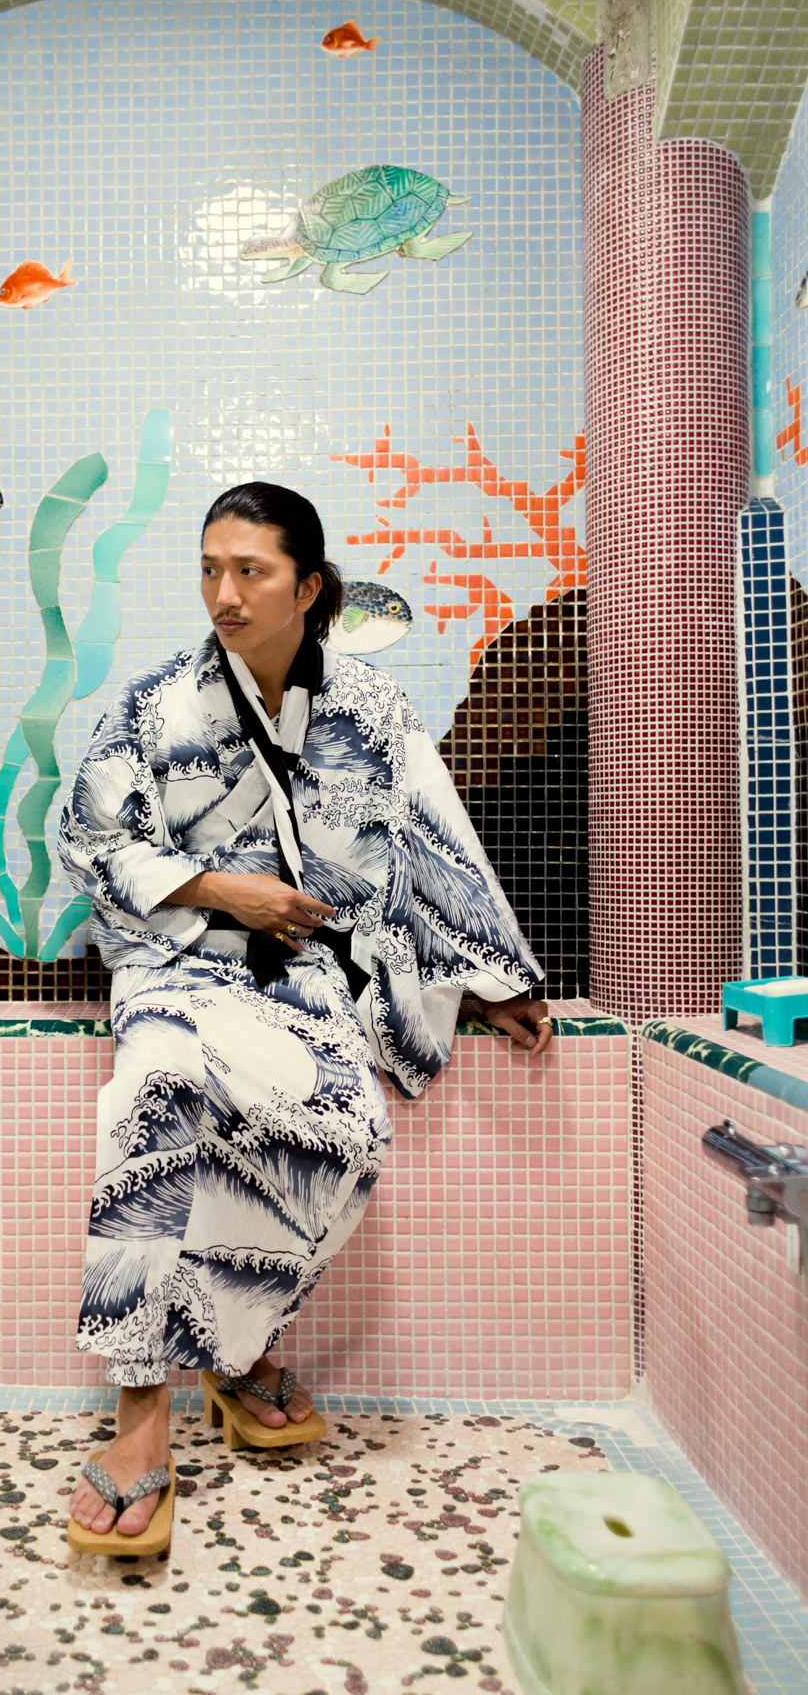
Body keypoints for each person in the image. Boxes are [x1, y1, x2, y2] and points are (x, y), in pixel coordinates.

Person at [58, 481, 551, 1542]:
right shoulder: (156, 705)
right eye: (209, 569)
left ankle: (232, 1351)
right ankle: (141, 1415)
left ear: (309, 586)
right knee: (152, 1097)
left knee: (347, 1131)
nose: (224, 594)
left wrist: (496, 978)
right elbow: (89, 838)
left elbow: (433, 836)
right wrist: (220, 890)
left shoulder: (369, 709)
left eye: (251, 571)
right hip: (180, 965)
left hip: (301, 976)